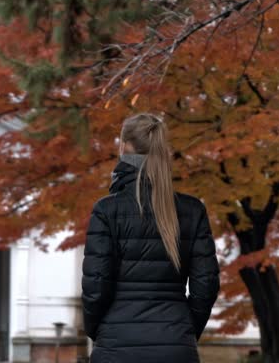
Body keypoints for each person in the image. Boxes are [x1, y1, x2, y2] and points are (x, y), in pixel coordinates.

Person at [81, 113, 220, 362]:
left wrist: (98, 331)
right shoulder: (192, 210)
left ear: (123, 147)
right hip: (175, 344)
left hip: (116, 344)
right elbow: (205, 286)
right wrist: (185, 330)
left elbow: (96, 285)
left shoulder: (106, 210)